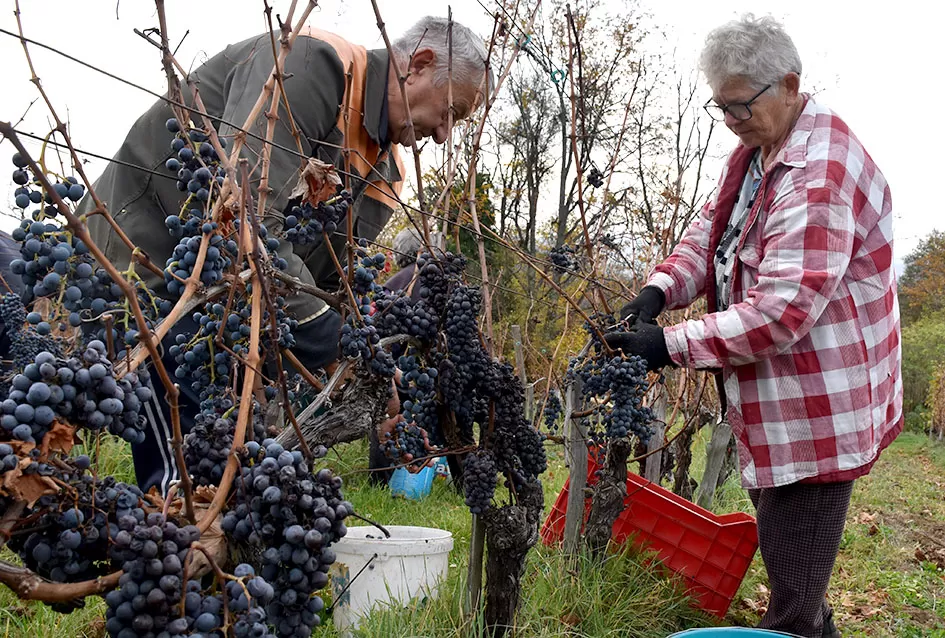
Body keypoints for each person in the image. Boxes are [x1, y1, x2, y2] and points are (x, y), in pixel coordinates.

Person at [79, 17, 490, 494]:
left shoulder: (386, 173)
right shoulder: (312, 65)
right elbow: (244, 221)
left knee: (234, 471)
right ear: (419, 65)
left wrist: (368, 373)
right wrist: (345, 346)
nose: (443, 135)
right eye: (452, 112)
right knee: (188, 482)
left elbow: (328, 286)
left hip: (224, 309)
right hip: (141, 265)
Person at [605, 14, 901, 638]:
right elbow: (711, 233)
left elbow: (781, 312)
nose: (732, 121)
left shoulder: (819, 172)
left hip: (816, 414)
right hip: (774, 407)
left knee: (792, 606)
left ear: (791, 83)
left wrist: (668, 345)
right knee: (798, 579)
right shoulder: (759, 152)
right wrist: (658, 291)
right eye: (722, 107)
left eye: (741, 105)